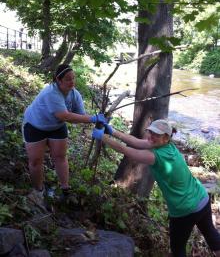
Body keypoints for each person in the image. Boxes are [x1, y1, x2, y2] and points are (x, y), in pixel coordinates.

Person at [92, 119, 220, 257]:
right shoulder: (167, 146)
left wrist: (102, 137)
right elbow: (135, 141)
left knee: (178, 250)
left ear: (165, 137)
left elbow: (126, 150)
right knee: (211, 235)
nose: (151, 136)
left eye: (156, 134)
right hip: (202, 198)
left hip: (185, 209)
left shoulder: (155, 156)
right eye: (151, 132)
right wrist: (112, 131)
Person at [23, 63, 107, 205]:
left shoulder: (75, 94)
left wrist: (97, 123)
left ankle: (65, 189)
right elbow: (65, 116)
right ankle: (38, 191)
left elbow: (79, 117)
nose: (72, 82)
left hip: (56, 126)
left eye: (73, 78)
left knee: (60, 156)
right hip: (35, 125)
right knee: (36, 161)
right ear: (58, 80)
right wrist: (93, 118)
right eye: (68, 79)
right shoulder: (51, 93)